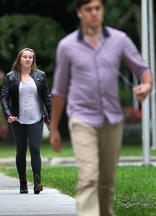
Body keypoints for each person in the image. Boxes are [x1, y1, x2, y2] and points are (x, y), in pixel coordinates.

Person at [50, 1, 153, 215]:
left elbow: (142, 69)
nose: (94, 13)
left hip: (112, 119)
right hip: (82, 118)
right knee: (89, 177)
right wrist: (54, 128)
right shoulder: (67, 46)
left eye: (98, 8)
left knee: (106, 182)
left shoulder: (119, 39)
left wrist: (147, 85)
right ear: (80, 12)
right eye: (89, 9)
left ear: (102, 10)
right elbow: (59, 90)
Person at [0, 48, 51, 194]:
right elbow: (4, 97)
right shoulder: (11, 77)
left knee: (35, 149)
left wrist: (51, 117)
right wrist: (8, 114)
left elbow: (47, 97)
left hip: (36, 118)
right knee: (21, 151)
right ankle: (22, 181)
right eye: (25, 57)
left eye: (30, 57)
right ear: (19, 59)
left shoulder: (40, 76)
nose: (27, 59)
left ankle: (37, 182)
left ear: (32, 60)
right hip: (18, 119)